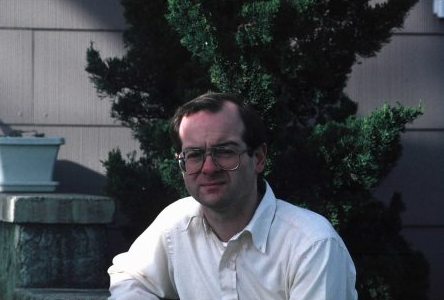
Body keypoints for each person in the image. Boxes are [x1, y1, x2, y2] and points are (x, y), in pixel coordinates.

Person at [108, 92, 358, 300]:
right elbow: (129, 277)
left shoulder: (312, 245)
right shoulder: (176, 223)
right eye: (194, 155)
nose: (208, 168)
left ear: (258, 158)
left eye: (224, 151)